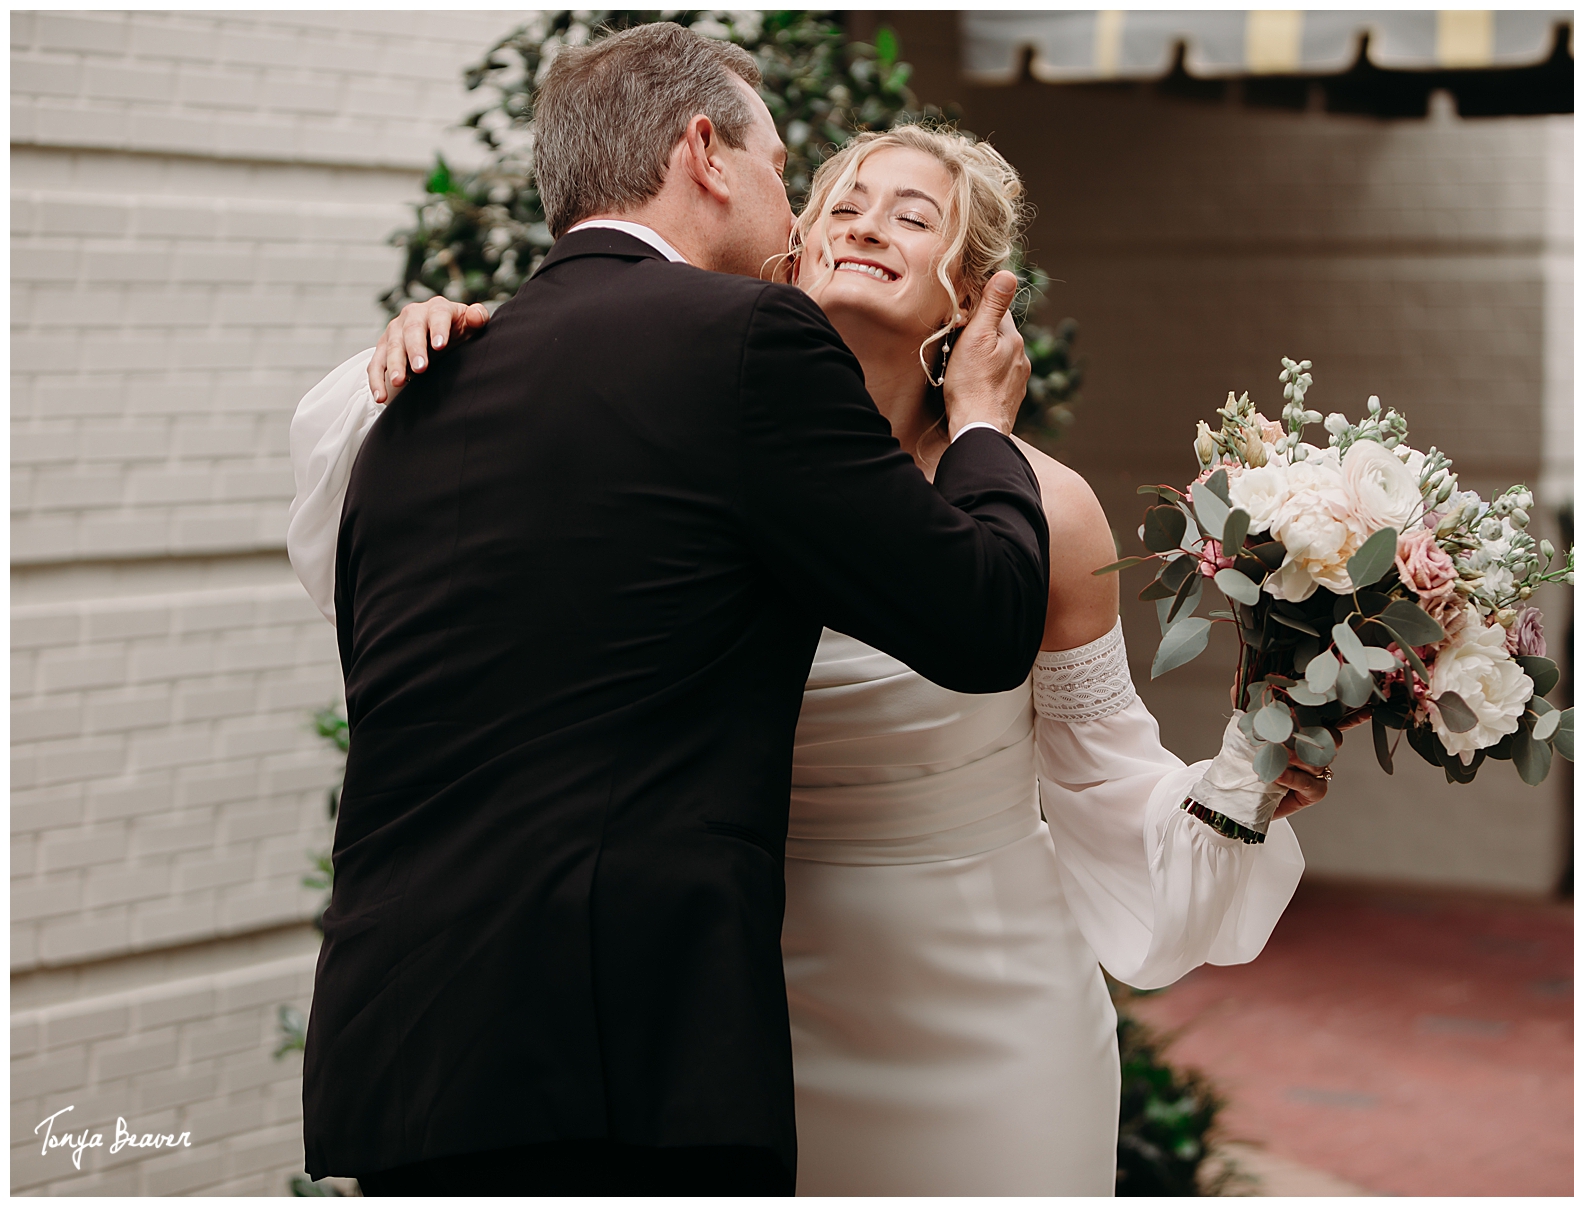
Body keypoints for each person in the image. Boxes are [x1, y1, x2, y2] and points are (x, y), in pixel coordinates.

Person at [296, 111, 1337, 1193]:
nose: (867, 226)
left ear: (978, 291)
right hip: (728, 1000)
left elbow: (1102, 771)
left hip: (983, 1003)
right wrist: (458, 344)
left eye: (913, 215)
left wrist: (1239, 785)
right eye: (841, 203)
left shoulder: (1046, 506)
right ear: (790, 250)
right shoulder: (679, 445)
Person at [289, 24, 1056, 1196]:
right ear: (706, 152)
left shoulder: (407, 391)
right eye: (781, 166)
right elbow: (987, 620)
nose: (801, 211)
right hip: (621, 1059)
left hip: (393, 1053)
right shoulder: (746, 336)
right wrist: (986, 422)